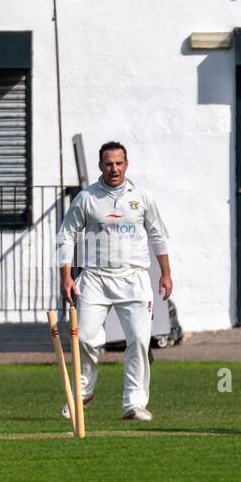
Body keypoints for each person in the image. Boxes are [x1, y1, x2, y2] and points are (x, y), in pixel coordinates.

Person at [57, 141, 171, 422]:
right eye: (109, 164)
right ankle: (82, 394)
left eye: (119, 163)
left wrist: (166, 273)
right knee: (83, 337)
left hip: (133, 277)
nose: (114, 168)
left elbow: (158, 235)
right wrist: (66, 275)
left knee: (139, 341)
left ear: (126, 165)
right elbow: (66, 235)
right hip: (95, 277)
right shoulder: (87, 198)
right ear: (100, 166)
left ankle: (133, 404)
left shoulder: (142, 197)